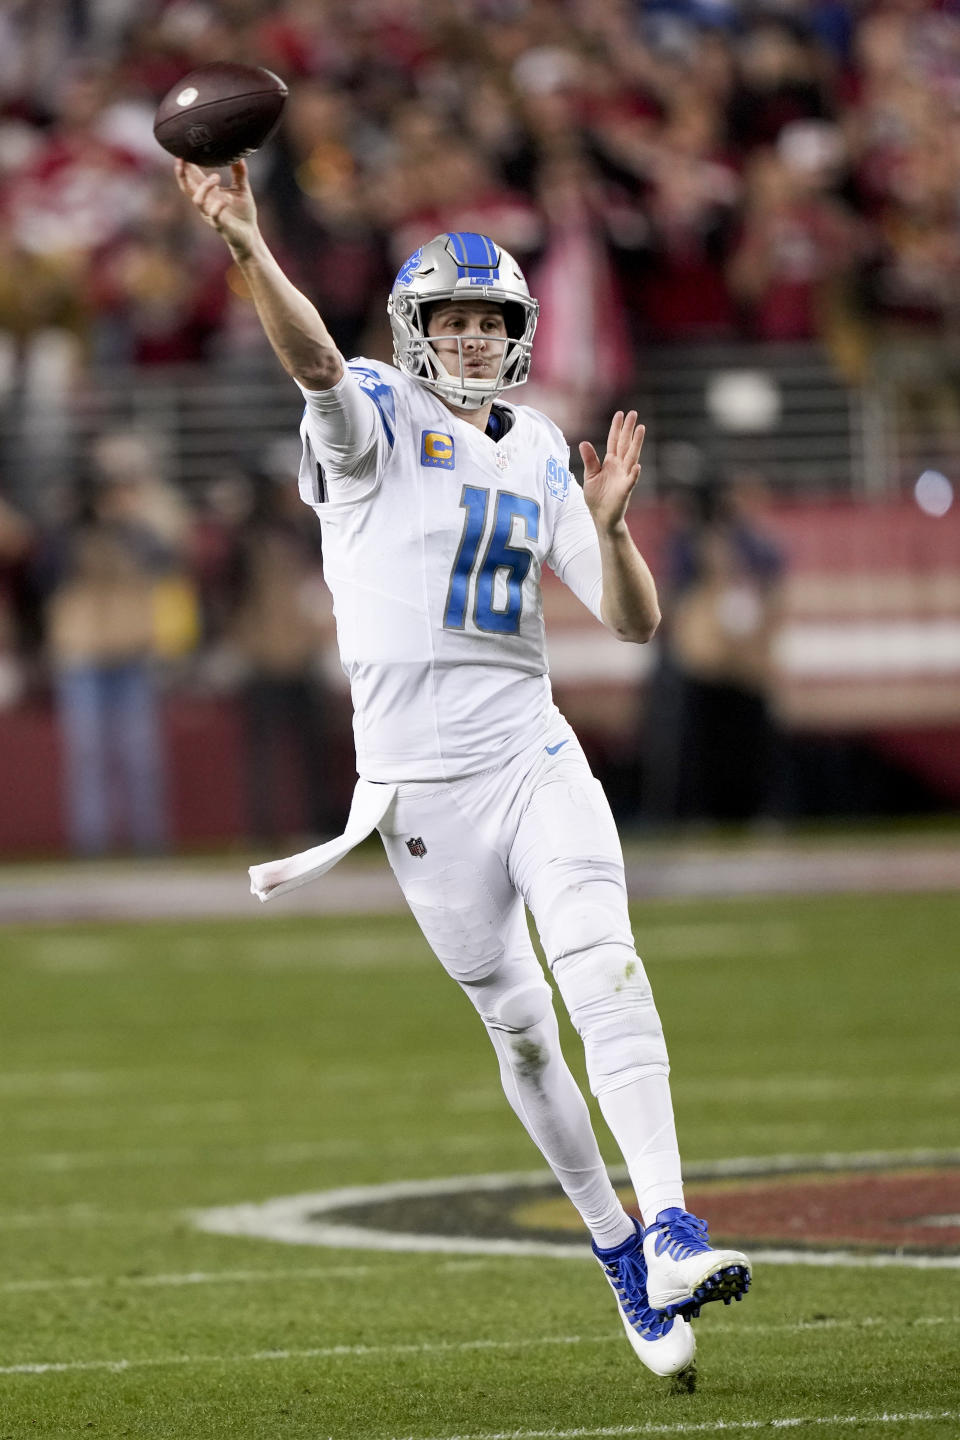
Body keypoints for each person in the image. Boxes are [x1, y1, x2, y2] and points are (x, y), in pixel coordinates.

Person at [175, 156, 751, 1385]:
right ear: (414, 331)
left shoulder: (544, 446)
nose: (475, 339)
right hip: (417, 790)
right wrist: (246, 247)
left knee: (603, 957)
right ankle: (618, 1254)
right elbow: (313, 362)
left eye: (492, 320)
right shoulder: (371, 413)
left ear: (519, 333)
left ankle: (673, 1223)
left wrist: (608, 536)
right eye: (453, 320)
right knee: (525, 1035)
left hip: (530, 749)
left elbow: (635, 624)